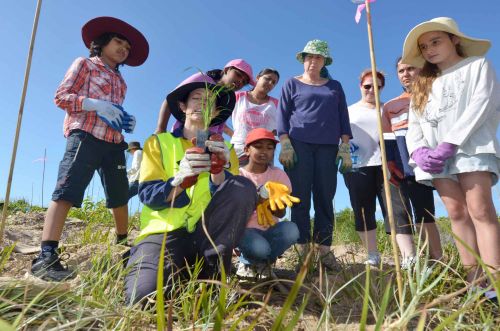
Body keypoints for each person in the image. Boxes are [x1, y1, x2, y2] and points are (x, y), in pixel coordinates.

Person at [30, 17, 149, 282]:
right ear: (103, 42)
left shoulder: (122, 82)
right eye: (118, 42)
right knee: (67, 188)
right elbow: (61, 96)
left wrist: (126, 120)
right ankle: (46, 254)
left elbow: (114, 112)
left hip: (113, 141)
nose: (123, 49)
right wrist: (93, 104)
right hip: (84, 134)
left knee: (119, 195)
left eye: (127, 48)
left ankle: (121, 244)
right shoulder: (84, 64)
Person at [124, 72, 257, 305]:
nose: (202, 105)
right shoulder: (158, 143)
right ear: (183, 106)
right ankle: (149, 261)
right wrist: (179, 181)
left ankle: (214, 272)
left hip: (208, 236)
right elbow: (147, 194)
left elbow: (233, 200)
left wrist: (219, 172)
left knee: (242, 185)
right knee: (144, 298)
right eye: (196, 98)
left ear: (216, 113)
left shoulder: (226, 150)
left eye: (209, 102)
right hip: (164, 232)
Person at [403, 17, 500, 300]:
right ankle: (474, 282)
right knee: (457, 213)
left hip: (470, 147)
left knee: (480, 209)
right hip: (435, 157)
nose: (430, 49)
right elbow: (415, 123)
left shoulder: (477, 66)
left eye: (436, 41)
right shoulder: (422, 82)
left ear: (454, 39)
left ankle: (494, 283)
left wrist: (450, 142)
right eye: (424, 46)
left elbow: (482, 104)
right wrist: (419, 151)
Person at [276, 39, 352, 271]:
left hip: (328, 147)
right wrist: (285, 142)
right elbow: (282, 115)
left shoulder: (334, 86)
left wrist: (345, 146)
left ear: (324, 61)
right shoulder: (292, 84)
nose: (313, 61)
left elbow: (343, 116)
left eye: (318, 57)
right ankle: (301, 251)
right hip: (298, 145)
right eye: (309, 56)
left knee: (325, 196)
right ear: (303, 60)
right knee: (299, 197)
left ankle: (325, 251)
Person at [382, 57, 443, 267]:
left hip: (432, 163)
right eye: (401, 71)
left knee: (426, 213)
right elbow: (387, 139)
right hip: (404, 167)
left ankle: (437, 259)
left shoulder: (435, 95)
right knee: (406, 212)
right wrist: (391, 163)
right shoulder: (390, 106)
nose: (406, 74)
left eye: (410, 69)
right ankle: (413, 261)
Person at [236, 128, 300, 278]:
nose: (264, 151)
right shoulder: (238, 174)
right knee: (259, 247)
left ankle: (262, 264)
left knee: (292, 230)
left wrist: (273, 203)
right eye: (258, 146)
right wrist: (261, 197)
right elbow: (235, 212)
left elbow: (281, 213)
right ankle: (246, 261)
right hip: (245, 231)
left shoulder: (278, 175)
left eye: (270, 148)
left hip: (270, 230)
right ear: (247, 150)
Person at [343, 69, 388, 266]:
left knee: (392, 209)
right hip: (357, 165)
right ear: (360, 86)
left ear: (382, 88)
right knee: (362, 210)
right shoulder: (348, 111)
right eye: (367, 86)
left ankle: (404, 253)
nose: (371, 90)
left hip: (386, 166)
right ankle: (372, 254)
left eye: (376, 87)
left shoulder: (388, 109)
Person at [154, 59, 255, 136]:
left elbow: (219, 124)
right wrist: (161, 129)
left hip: (206, 144)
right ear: (227, 70)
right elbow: (170, 99)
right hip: (183, 136)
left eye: (244, 82)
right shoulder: (202, 79)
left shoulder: (229, 98)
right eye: (238, 75)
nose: (240, 81)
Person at [230, 69, 280, 164]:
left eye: (274, 82)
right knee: (235, 178)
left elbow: (283, 126)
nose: (270, 83)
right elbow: (219, 117)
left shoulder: (276, 104)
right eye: (267, 79)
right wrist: (232, 133)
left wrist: (272, 135)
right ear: (258, 78)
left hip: (264, 154)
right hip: (238, 150)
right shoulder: (237, 97)